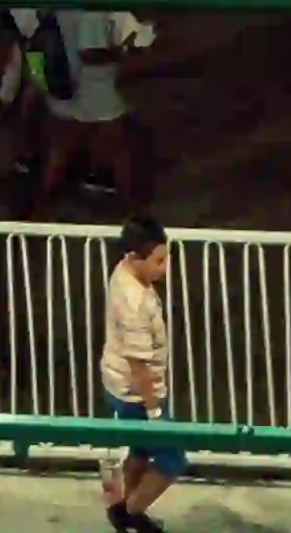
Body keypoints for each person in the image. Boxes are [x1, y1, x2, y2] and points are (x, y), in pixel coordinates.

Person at [98, 216, 177, 528]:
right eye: (159, 260)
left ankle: (124, 509)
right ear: (134, 258)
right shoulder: (132, 301)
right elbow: (138, 363)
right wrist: (154, 410)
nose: (165, 267)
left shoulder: (124, 272)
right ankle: (131, 512)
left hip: (122, 385)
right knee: (172, 458)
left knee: (140, 449)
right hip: (136, 392)